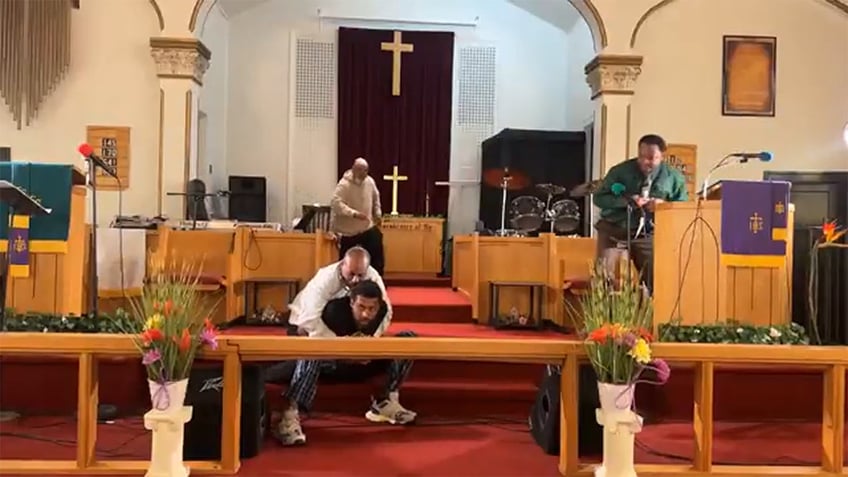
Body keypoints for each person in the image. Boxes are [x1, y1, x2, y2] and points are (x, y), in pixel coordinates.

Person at [275, 249, 417, 446]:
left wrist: (369, 345)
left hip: (353, 334)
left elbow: (385, 312)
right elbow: (309, 320)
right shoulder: (325, 278)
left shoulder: (372, 277)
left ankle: (385, 401)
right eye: (352, 274)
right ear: (342, 265)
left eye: (361, 275)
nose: (357, 280)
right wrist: (342, 348)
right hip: (309, 325)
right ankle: (291, 413)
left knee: (408, 341)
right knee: (311, 344)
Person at [593, 134, 688, 292]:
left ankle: (648, 311)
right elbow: (599, 198)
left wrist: (663, 206)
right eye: (642, 156)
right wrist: (626, 201)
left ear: (662, 156)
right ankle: (606, 314)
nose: (645, 162)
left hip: (647, 233)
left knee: (655, 279)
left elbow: (682, 207)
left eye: (651, 158)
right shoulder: (619, 172)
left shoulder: (674, 178)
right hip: (614, 230)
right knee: (603, 278)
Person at [331, 157, 385, 276]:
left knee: (377, 242)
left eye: (366, 170)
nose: (364, 173)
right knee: (345, 260)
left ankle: (377, 279)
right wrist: (354, 213)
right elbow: (335, 203)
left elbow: (376, 198)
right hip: (348, 231)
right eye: (361, 170)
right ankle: (343, 282)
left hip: (366, 227)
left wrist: (378, 213)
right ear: (354, 169)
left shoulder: (370, 182)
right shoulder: (344, 184)